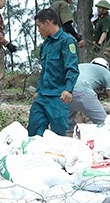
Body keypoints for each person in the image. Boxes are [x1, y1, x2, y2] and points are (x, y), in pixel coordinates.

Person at [27, 7, 79, 136]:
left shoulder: (67, 41)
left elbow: (72, 68)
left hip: (58, 96)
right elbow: (45, 71)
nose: (38, 30)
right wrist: (38, 91)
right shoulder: (46, 45)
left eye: (39, 26)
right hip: (42, 96)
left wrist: (69, 89)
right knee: (33, 132)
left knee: (59, 135)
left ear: (48, 22)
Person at [67, 57, 110, 134]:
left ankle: (69, 144)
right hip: (83, 90)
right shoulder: (106, 72)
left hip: (67, 93)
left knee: (68, 126)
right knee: (105, 125)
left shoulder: (81, 66)